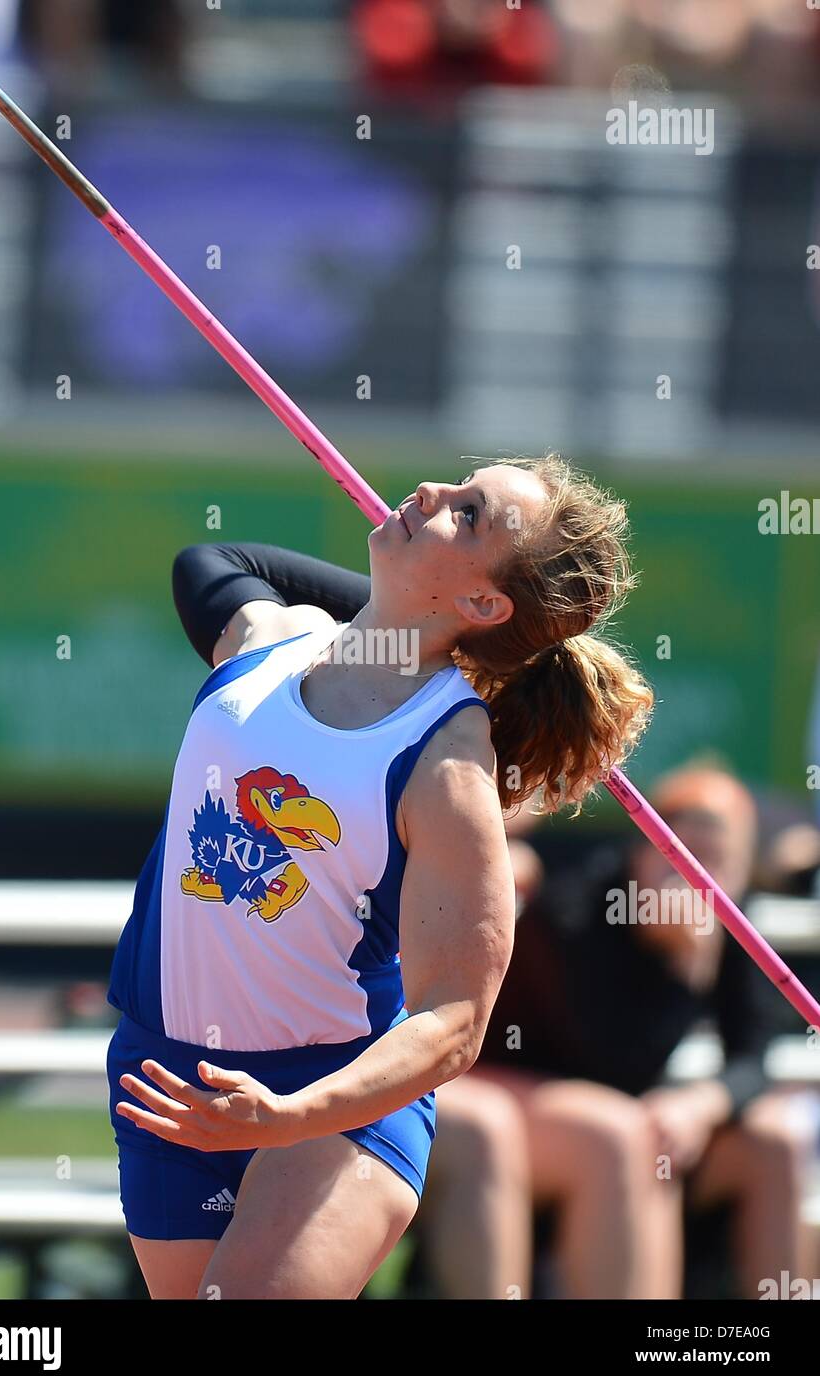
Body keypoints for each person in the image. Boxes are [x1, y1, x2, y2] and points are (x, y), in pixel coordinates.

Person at [105, 453, 654, 1298]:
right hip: (172, 1073)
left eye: (468, 515)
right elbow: (214, 562)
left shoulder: (445, 762)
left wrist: (291, 1115)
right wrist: (398, 618)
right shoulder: (270, 640)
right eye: (460, 486)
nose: (432, 494)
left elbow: (455, 1019)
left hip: (332, 1097)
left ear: (483, 601)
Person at [422, 765, 819, 1298]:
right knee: (627, 1134)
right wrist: (681, 970)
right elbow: (605, 1058)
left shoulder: (727, 920)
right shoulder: (581, 909)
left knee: (774, 1141)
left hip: (626, 1104)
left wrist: (703, 1102)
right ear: (643, 850)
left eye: (717, 857)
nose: (695, 875)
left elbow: (755, 1052)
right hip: (520, 1083)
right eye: (682, 850)